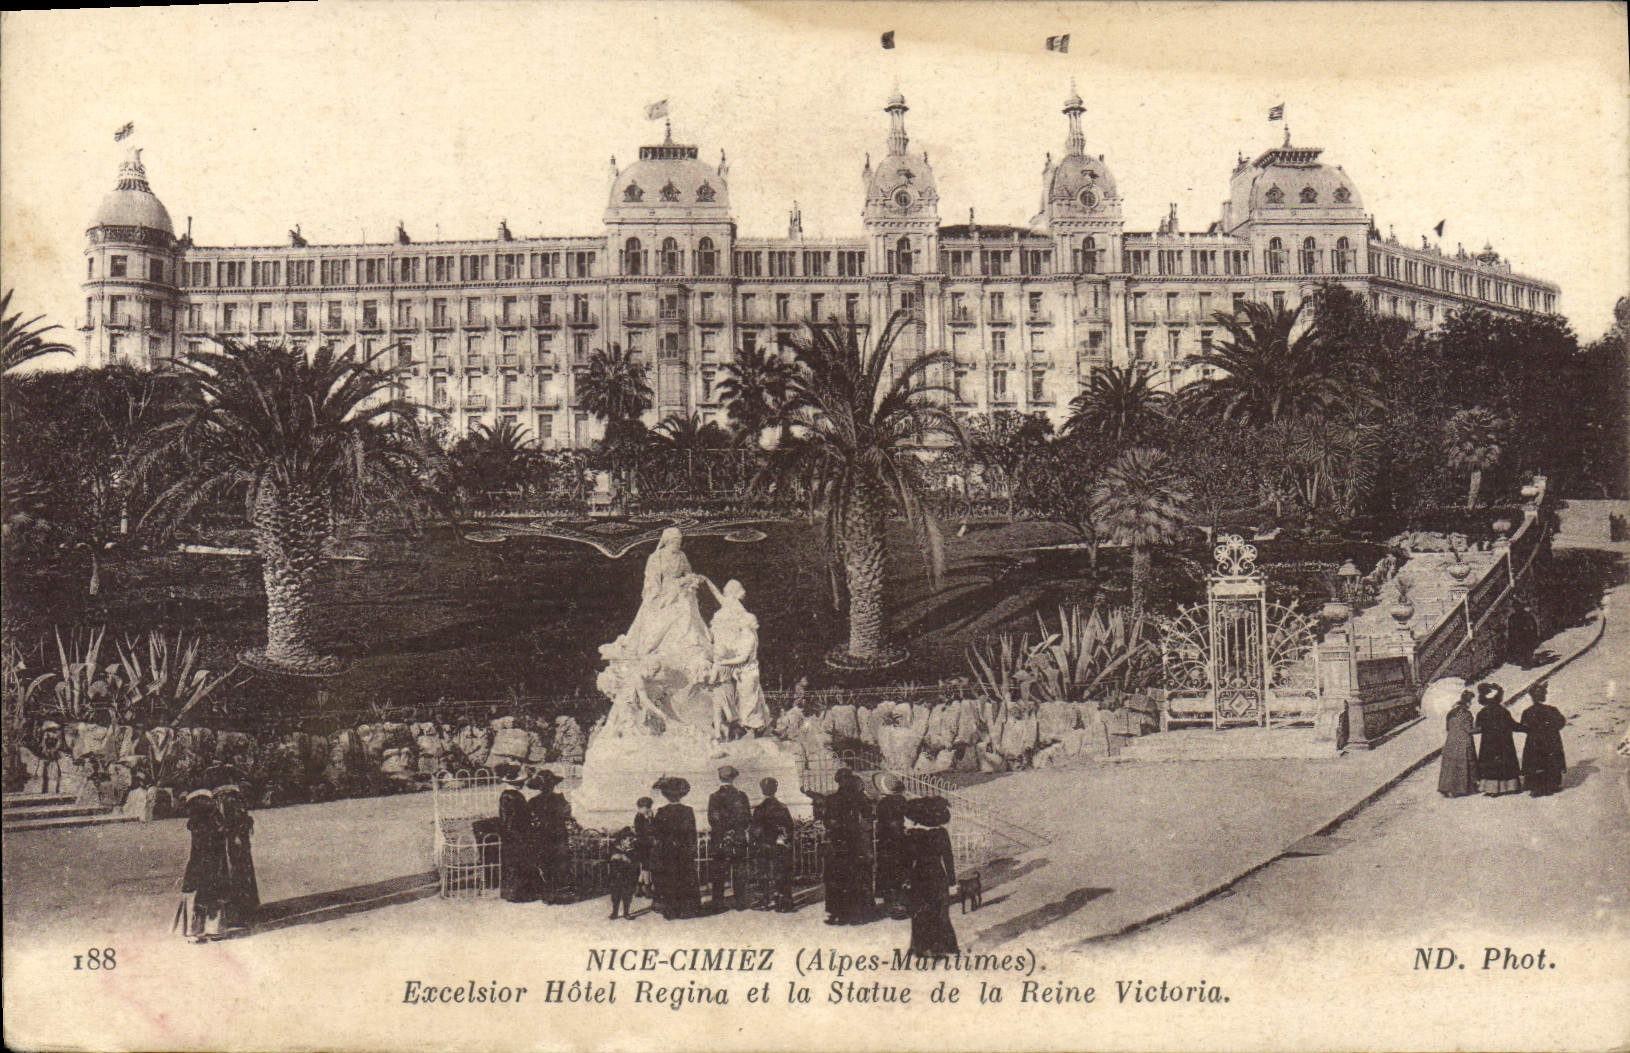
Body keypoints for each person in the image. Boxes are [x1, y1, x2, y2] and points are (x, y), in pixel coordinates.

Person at [706, 579, 770, 738]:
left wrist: (723, 661)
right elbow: (719, 597)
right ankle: (744, 726)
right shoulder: (744, 631)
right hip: (741, 671)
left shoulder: (748, 637)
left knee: (748, 699)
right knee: (743, 699)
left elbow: (742, 657)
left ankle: (750, 727)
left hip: (746, 670)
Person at [903, 795, 959, 958]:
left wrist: (905, 879)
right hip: (938, 876)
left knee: (920, 912)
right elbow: (948, 858)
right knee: (940, 912)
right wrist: (952, 882)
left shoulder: (913, 835)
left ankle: (922, 947)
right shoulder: (941, 833)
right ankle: (946, 947)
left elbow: (907, 860)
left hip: (919, 876)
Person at [819, 768, 874, 925]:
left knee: (836, 877)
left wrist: (833, 826)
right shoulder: (859, 798)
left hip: (838, 841)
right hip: (853, 841)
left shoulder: (832, 799)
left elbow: (827, 820)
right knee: (853, 876)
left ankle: (836, 912)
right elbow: (868, 815)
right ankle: (853, 913)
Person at [178, 788, 228, 943]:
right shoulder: (214, 820)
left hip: (198, 862)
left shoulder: (196, 821)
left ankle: (195, 930)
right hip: (212, 861)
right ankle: (213, 928)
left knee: (198, 892)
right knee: (211, 891)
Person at [651, 777, 701, 919]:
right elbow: (692, 834)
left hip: (668, 853)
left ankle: (671, 911)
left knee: (670, 880)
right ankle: (688, 910)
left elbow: (657, 833)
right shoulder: (688, 811)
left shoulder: (662, 811)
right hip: (684, 852)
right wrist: (692, 850)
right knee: (685, 879)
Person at [214, 775, 259, 929]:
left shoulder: (220, 800)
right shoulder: (233, 799)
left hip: (230, 842)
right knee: (237, 872)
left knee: (234, 872)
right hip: (233, 842)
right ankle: (242, 911)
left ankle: (238, 912)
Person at [706, 765, 753, 911]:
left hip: (720, 838)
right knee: (739, 869)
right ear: (734, 778)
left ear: (720, 778)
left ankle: (718, 903)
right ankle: (740, 902)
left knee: (718, 871)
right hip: (738, 836)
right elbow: (747, 819)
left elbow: (712, 819)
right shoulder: (741, 796)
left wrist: (725, 831)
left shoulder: (714, 797)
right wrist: (734, 830)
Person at [528, 770, 575, 903]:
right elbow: (567, 814)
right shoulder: (559, 799)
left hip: (545, 835)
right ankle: (560, 893)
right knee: (558, 862)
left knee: (549, 863)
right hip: (556, 834)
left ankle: (551, 895)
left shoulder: (534, 801)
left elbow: (531, 819)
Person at [750, 776, 796, 912]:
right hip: (779, 845)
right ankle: (782, 901)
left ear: (762, 790)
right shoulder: (782, 807)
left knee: (763, 873)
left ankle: (765, 900)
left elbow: (755, 830)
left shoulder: (759, 809)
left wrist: (758, 842)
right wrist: (783, 840)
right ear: (776, 789)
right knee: (781, 873)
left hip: (764, 845)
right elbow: (789, 827)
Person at [496, 765, 539, 902]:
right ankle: (518, 894)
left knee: (515, 863)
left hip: (514, 833)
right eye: (520, 782)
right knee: (518, 863)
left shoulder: (510, 795)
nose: (522, 784)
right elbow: (510, 819)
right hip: (516, 834)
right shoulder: (511, 796)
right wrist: (519, 834)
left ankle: (513, 893)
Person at [1473, 681, 1523, 796]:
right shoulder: (1503, 711)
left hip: (1488, 743)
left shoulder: (1482, 713)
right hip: (1504, 742)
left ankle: (1492, 788)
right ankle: (1510, 786)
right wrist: (1527, 728)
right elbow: (1513, 725)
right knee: (1506, 761)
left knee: (1490, 763)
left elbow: (1478, 727)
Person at [1519, 681, 1568, 797]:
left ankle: (1536, 787)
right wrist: (1551, 729)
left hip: (1534, 742)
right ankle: (1552, 785)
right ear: (1544, 696)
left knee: (1535, 763)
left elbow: (1524, 727)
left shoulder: (1527, 712)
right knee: (1551, 762)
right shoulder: (1552, 710)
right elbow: (1561, 722)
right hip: (1551, 741)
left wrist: (1534, 731)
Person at [873, 773, 911, 918]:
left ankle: (891, 903)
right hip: (900, 838)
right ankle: (901, 902)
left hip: (887, 840)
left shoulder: (883, 804)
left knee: (888, 870)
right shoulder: (902, 801)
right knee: (901, 869)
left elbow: (880, 822)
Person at [1437, 689, 1479, 798]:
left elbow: (1447, 728)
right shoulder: (1466, 714)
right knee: (1464, 764)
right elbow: (1469, 729)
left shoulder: (1451, 713)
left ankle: (1446, 787)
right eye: (1471, 701)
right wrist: (1481, 728)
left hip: (1450, 742)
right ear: (1468, 702)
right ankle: (1462, 788)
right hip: (1463, 741)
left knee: (1450, 766)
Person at [607, 828, 641, 920]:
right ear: (622, 839)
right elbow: (610, 861)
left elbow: (635, 863)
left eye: (632, 840)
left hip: (628, 876)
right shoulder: (614, 848)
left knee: (627, 894)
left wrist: (627, 859)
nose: (631, 842)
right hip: (616, 876)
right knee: (615, 895)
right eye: (629, 840)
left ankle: (626, 912)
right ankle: (615, 912)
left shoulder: (633, 850)